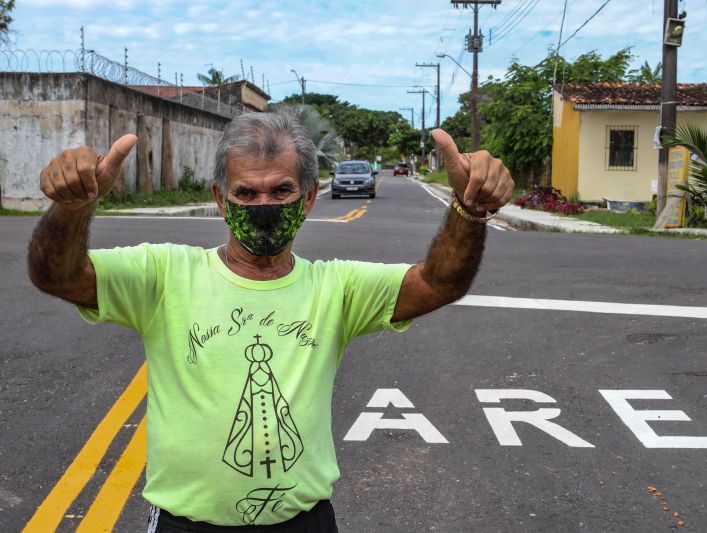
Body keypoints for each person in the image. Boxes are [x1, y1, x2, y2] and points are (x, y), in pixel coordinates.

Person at [28, 109, 513, 532]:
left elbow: (438, 283)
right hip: (185, 527)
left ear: (307, 199)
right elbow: (59, 276)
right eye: (247, 192)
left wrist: (468, 211)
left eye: (281, 190)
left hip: (304, 524)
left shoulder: (335, 287)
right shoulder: (165, 273)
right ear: (221, 199)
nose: (263, 207)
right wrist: (71, 209)